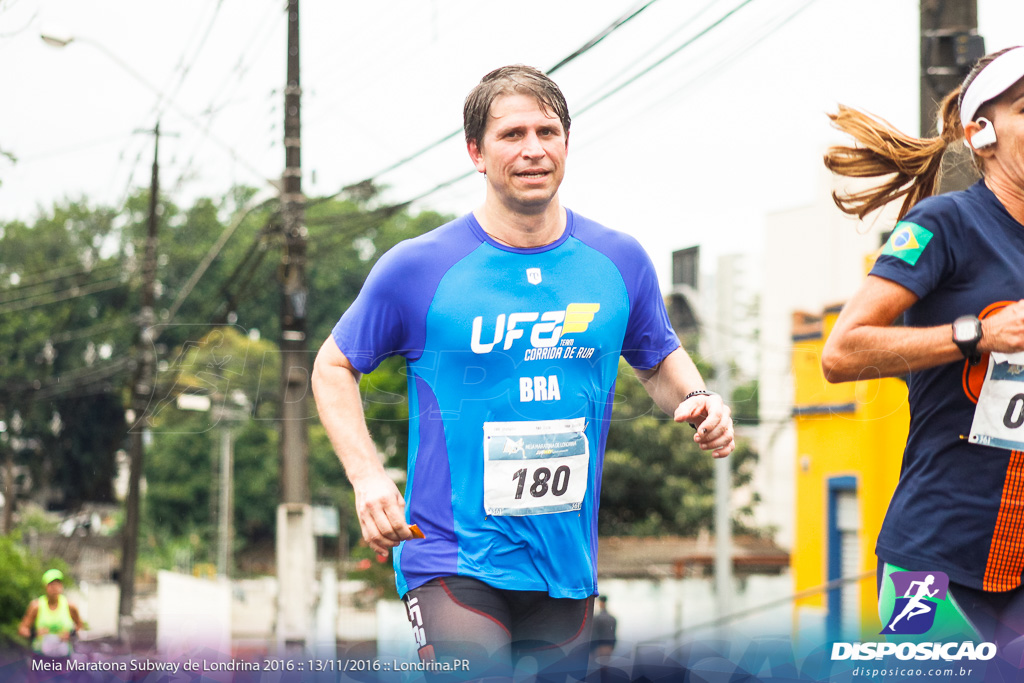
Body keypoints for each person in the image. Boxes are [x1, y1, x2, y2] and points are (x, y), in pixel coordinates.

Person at [312, 64, 734, 679]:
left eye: (548, 131)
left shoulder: (617, 261)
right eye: (512, 135)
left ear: (566, 143)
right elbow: (333, 364)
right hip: (453, 558)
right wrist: (367, 477)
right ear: (476, 153)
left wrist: (698, 397)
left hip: (566, 565)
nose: (533, 149)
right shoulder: (420, 267)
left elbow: (658, 357)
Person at [822, 46, 1024, 647]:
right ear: (981, 134)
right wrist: (979, 335)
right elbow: (841, 353)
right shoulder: (944, 225)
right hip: (936, 556)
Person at [18, 569, 84, 660]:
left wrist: (71, 635)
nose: (54, 587)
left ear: (61, 586)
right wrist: (35, 633)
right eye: (51, 584)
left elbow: (79, 626)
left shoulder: (70, 606)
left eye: (57, 584)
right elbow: (23, 629)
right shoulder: (36, 606)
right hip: (40, 657)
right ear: (45, 587)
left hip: (63, 657)